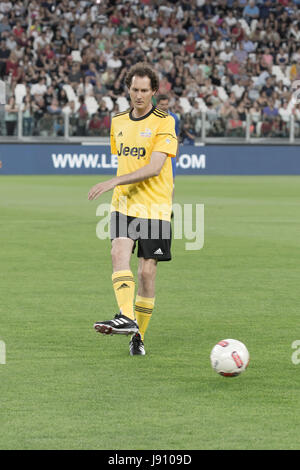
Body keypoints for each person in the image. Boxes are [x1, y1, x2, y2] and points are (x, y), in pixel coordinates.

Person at [88, 62, 178, 356]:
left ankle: (137, 335)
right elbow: (124, 157)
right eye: (134, 90)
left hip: (154, 205)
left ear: (153, 92)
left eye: (144, 90)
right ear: (128, 89)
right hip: (125, 203)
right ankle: (126, 317)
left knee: (147, 274)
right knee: (117, 253)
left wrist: (114, 180)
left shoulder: (165, 121)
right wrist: (119, 185)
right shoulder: (118, 121)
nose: (138, 95)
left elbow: (154, 168)